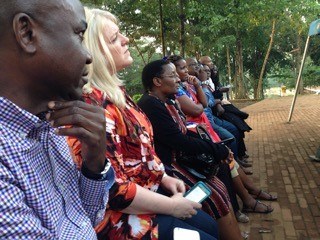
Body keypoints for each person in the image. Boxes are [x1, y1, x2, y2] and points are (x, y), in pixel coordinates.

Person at [68, 7, 219, 240]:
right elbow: (112, 189)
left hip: (151, 192)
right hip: (124, 221)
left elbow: (140, 154)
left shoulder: (116, 94)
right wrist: (171, 207)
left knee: (209, 225)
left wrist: (163, 178)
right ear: (96, 52)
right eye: (115, 38)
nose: (126, 39)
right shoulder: (92, 107)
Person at [0, 0, 115, 239]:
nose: (88, 56)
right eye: (79, 34)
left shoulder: (48, 125)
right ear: (27, 33)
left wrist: (94, 161)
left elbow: (85, 219)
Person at [138, 59, 245, 240]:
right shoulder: (150, 105)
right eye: (172, 75)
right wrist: (216, 150)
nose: (178, 79)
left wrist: (218, 147)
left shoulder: (168, 100)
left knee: (220, 182)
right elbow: (179, 140)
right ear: (157, 81)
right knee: (213, 194)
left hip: (182, 159)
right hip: (170, 166)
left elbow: (184, 132)